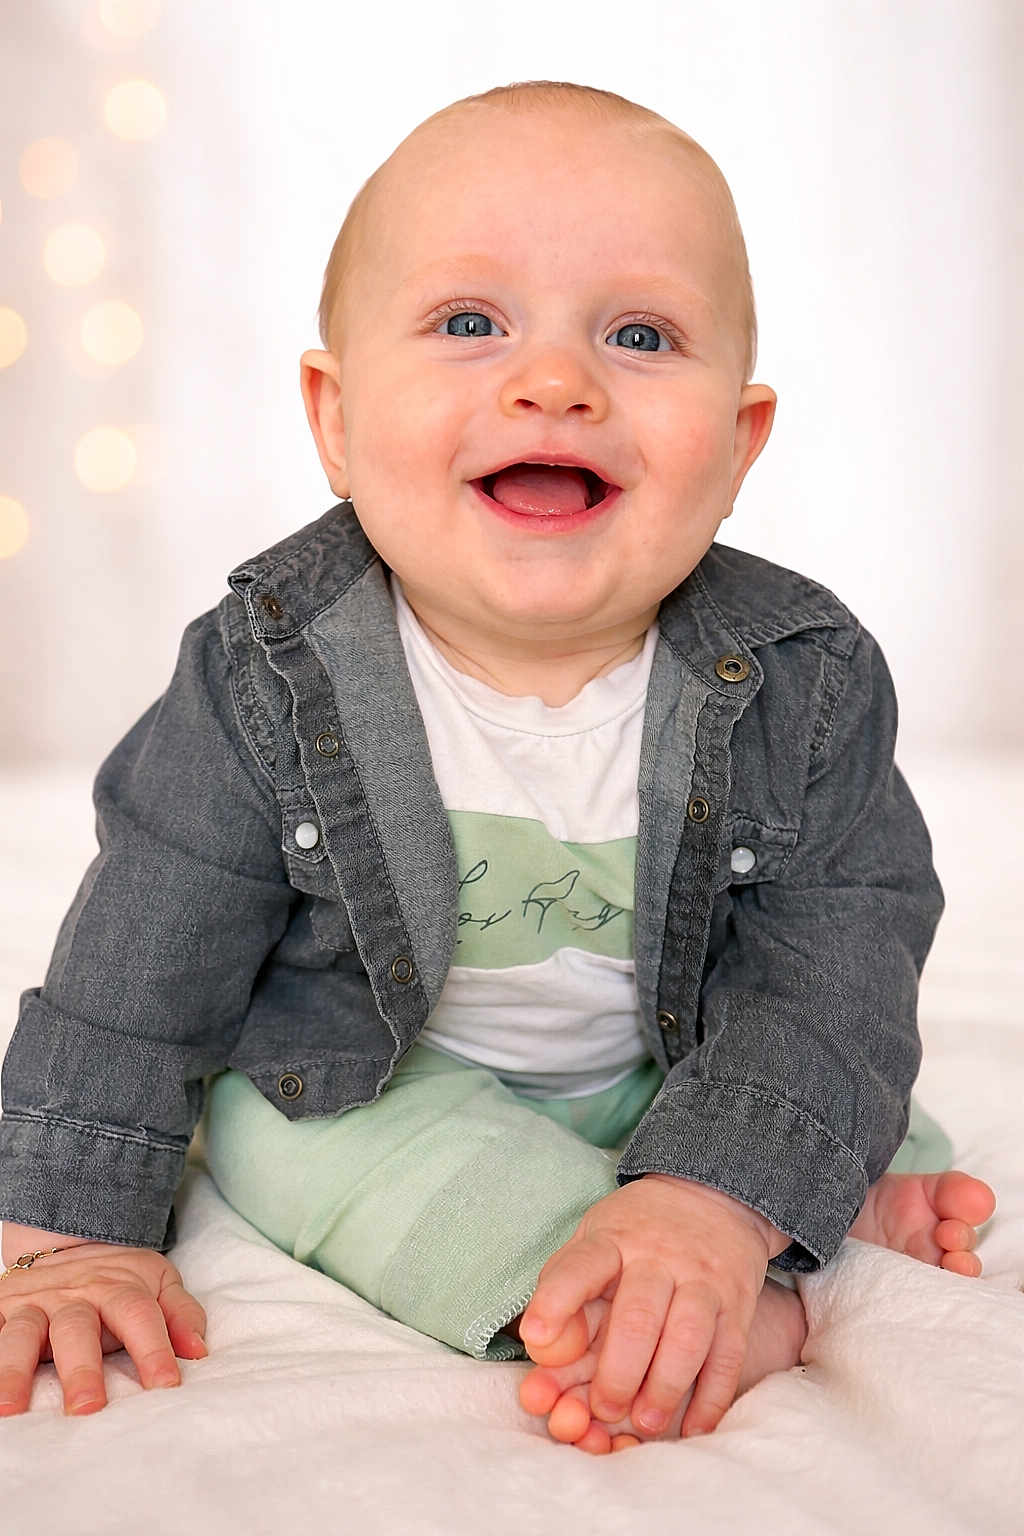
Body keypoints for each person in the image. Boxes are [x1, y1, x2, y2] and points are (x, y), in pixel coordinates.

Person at [0, 80, 997, 1454]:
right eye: (470, 323)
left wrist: (714, 1187)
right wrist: (66, 1238)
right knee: (271, 1137)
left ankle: (738, 1222)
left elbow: (836, 960)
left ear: (739, 450)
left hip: (674, 1052)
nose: (555, 380)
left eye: (640, 334)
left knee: (832, 1062)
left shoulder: (800, 679)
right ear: (336, 419)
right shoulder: (267, 671)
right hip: (381, 1069)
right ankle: (665, 1293)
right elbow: (140, 966)